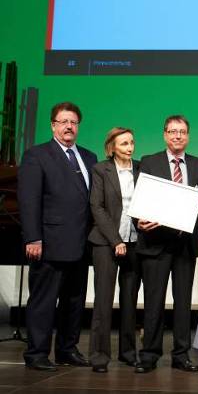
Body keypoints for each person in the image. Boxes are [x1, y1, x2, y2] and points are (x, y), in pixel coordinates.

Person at [18, 102, 97, 371]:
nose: (68, 126)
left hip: (81, 244)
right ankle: (37, 354)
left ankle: (67, 349)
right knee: (43, 301)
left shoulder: (89, 157)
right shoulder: (36, 155)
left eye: (73, 122)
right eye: (63, 121)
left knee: (74, 300)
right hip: (49, 243)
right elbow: (29, 201)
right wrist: (33, 238)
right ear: (53, 125)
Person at [135, 115, 198, 373]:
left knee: (183, 303)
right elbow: (139, 200)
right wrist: (140, 222)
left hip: (184, 244)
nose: (178, 136)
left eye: (182, 132)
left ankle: (181, 354)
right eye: (173, 132)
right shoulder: (149, 161)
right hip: (155, 243)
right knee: (154, 302)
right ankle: (149, 354)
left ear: (188, 136)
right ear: (165, 135)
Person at [88, 128, 142, 373]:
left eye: (131, 142)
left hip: (135, 241)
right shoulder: (101, 169)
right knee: (103, 299)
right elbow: (96, 207)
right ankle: (99, 356)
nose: (129, 147)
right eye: (123, 144)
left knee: (130, 299)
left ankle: (128, 352)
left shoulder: (141, 169)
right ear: (112, 147)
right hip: (106, 242)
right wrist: (115, 239)